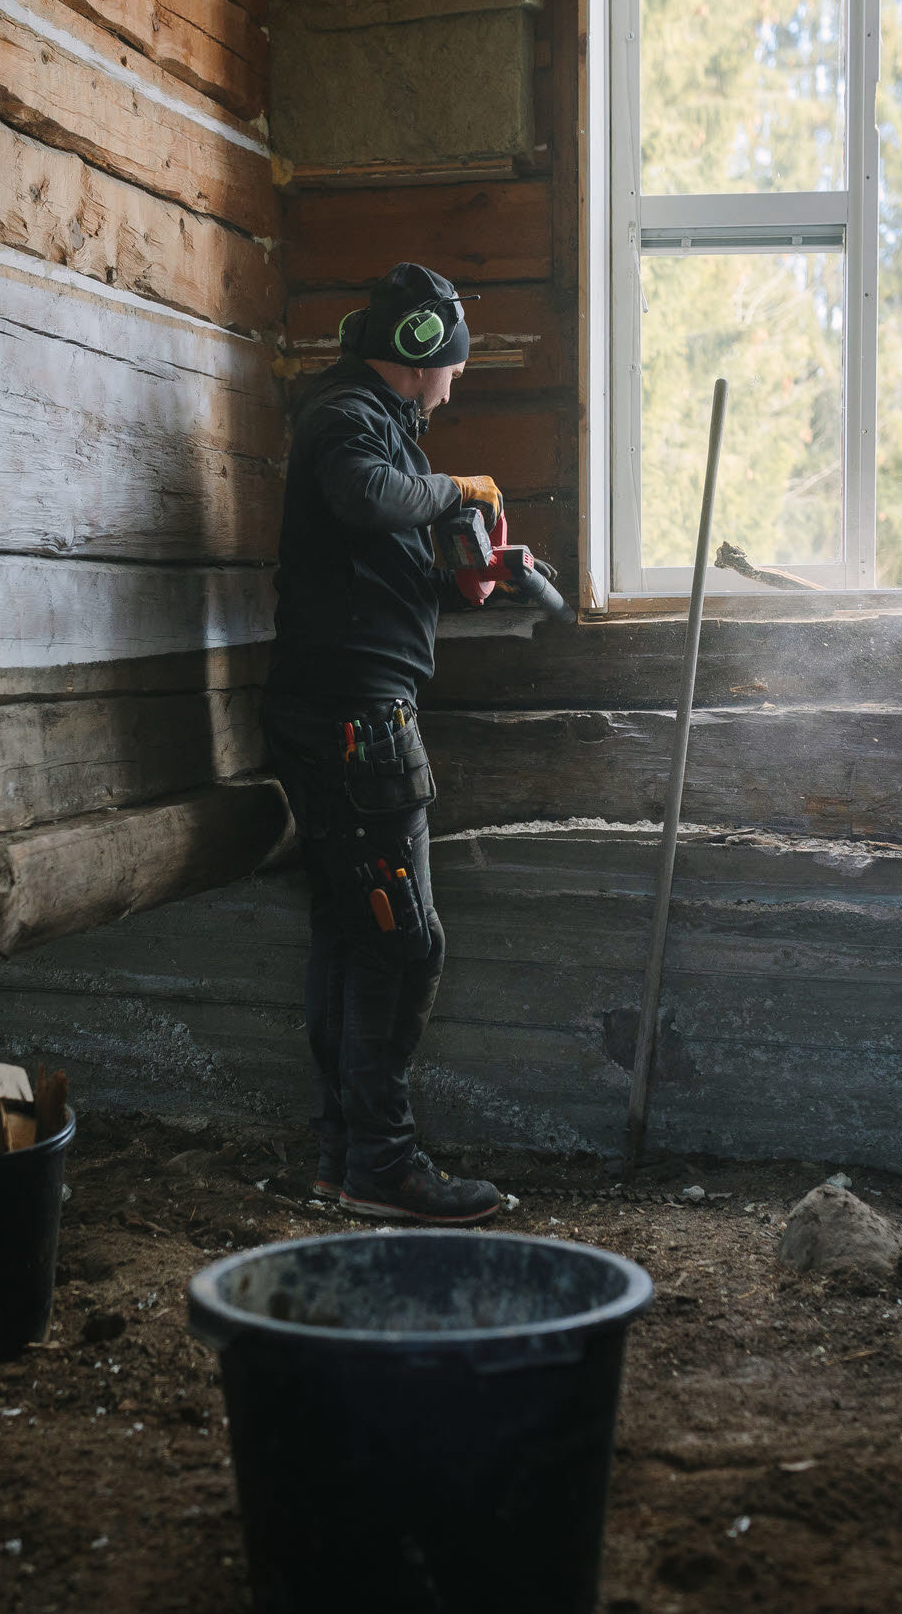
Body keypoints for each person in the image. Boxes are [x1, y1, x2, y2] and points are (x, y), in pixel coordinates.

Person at [261, 261, 512, 1225]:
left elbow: (372, 534)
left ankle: (342, 1158)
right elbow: (365, 494)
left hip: (341, 705)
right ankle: (385, 1166)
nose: (456, 383)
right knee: (405, 945)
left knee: (348, 935)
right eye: (451, 363)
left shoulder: (370, 421)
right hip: (355, 718)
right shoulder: (348, 422)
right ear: (418, 356)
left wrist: (469, 562)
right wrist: (451, 490)